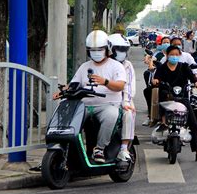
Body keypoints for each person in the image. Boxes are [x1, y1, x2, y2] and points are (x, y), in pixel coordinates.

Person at [54, 30, 127, 163]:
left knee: (111, 115)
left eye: (99, 49)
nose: (96, 52)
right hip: (84, 105)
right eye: (92, 50)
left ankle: (99, 149)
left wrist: (105, 81)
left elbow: (120, 86)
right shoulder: (84, 67)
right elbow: (74, 84)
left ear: (107, 49)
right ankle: (64, 148)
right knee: (67, 116)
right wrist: (63, 91)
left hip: (107, 105)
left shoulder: (116, 66)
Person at [152, 45, 197, 162]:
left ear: (179, 55)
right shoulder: (162, 68)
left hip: (182, 97)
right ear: (167, 55)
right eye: (171, 54)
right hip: (167, 97)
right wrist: (156, 81)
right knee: (162, 97)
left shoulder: (184, 67)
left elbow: (193, 78)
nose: (174, 57)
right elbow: (156, 79)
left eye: (176, 54)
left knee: (194, 123)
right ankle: (163, 121)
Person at [108, 33, 136, 161]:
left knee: (128, 113)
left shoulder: (127, 65)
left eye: (125, 50)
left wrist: (126, 102)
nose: (122, 52)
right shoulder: (103, 63)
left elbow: (129, 87)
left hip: (122, 99)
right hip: (101, 99)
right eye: (120, 49)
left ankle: (124, 148)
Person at [141, 36, 171, 126]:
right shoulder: (160, 57)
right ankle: (152, 116)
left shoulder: (185, 57)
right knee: (149, 91)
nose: (174, 56)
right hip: (162, 82)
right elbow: (152, 66)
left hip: (177, 84)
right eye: (164, 42)